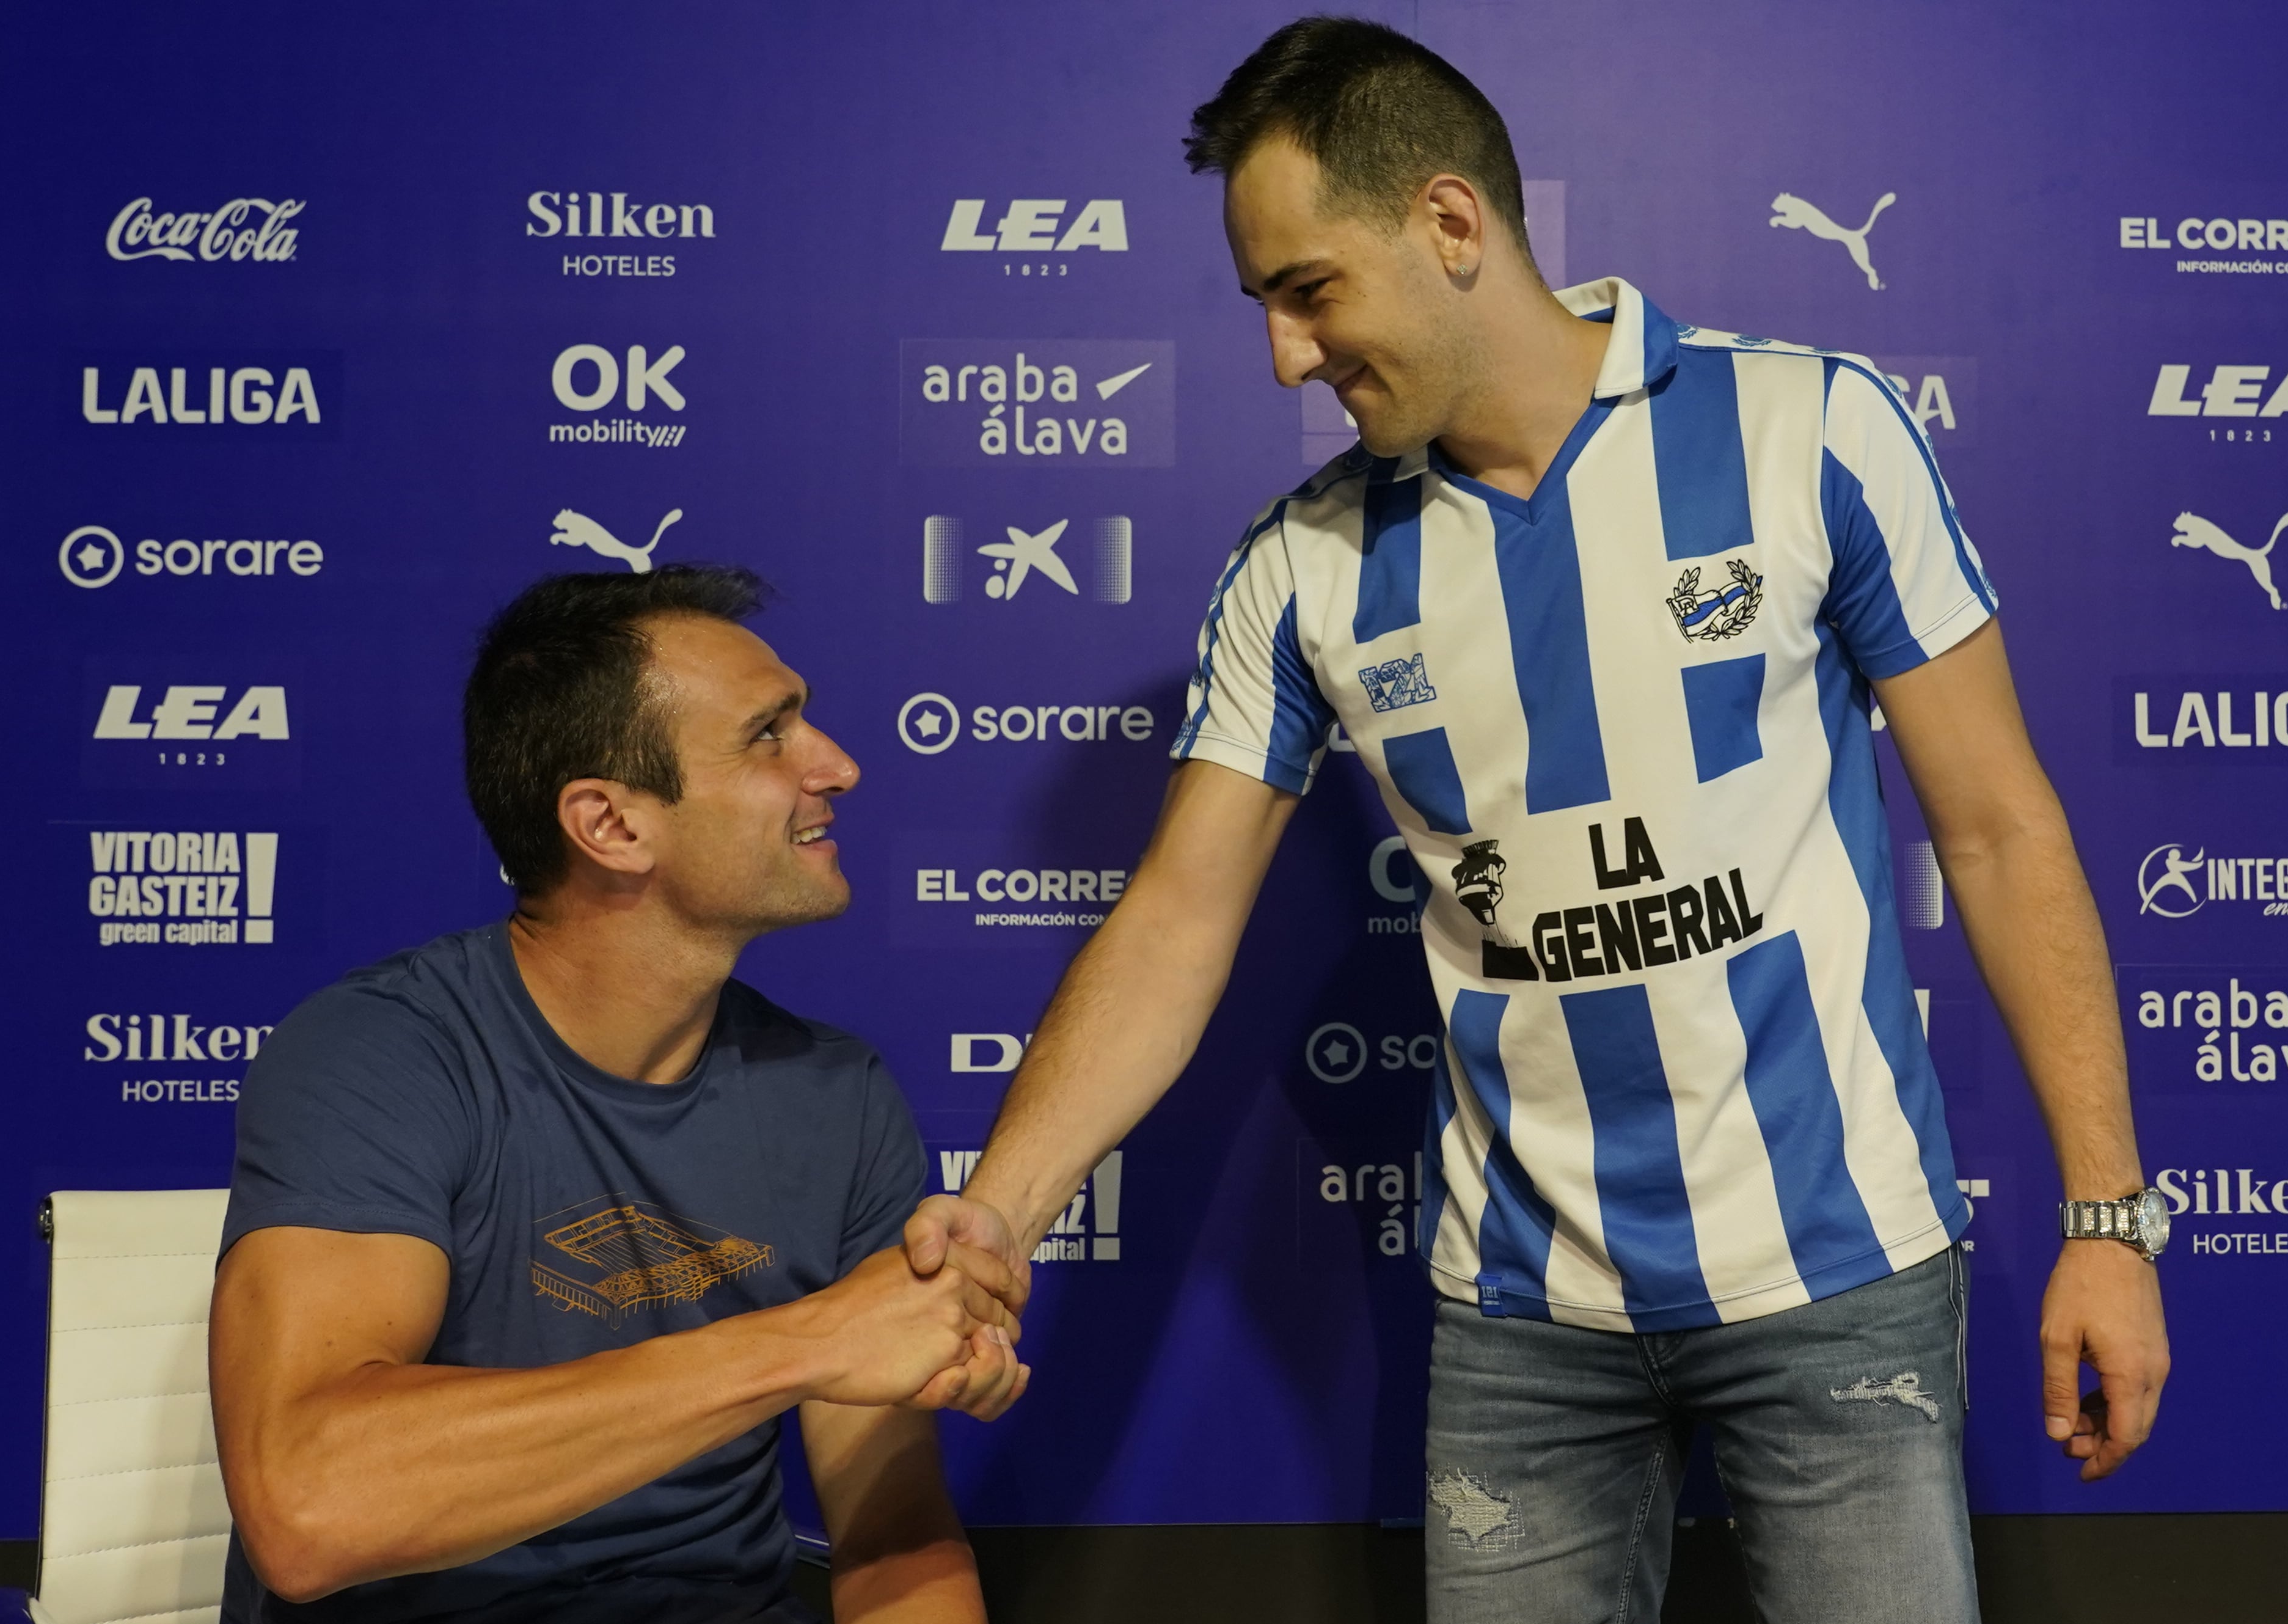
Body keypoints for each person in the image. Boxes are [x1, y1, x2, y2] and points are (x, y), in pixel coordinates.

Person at [904, 18, 2171, 1622]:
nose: (1285, 357)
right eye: (1266, 308)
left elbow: (1999, 833)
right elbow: (1177, 917)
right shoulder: (1298, 566)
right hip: (1517, 1322)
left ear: (1451, 225)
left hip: (1840, 1283)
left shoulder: (1814, 432)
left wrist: (2109, 1220)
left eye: (1310, 291)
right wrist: (1003, 1214)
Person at [211, 566, 1026, 1624]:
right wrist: (809, 1341)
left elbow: (891, 1532)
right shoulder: (382, 1055)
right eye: (769, 735)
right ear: (611, 825)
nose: (838, 766)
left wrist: (854, 1341)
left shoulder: (836, 1092)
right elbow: (308, 1507)